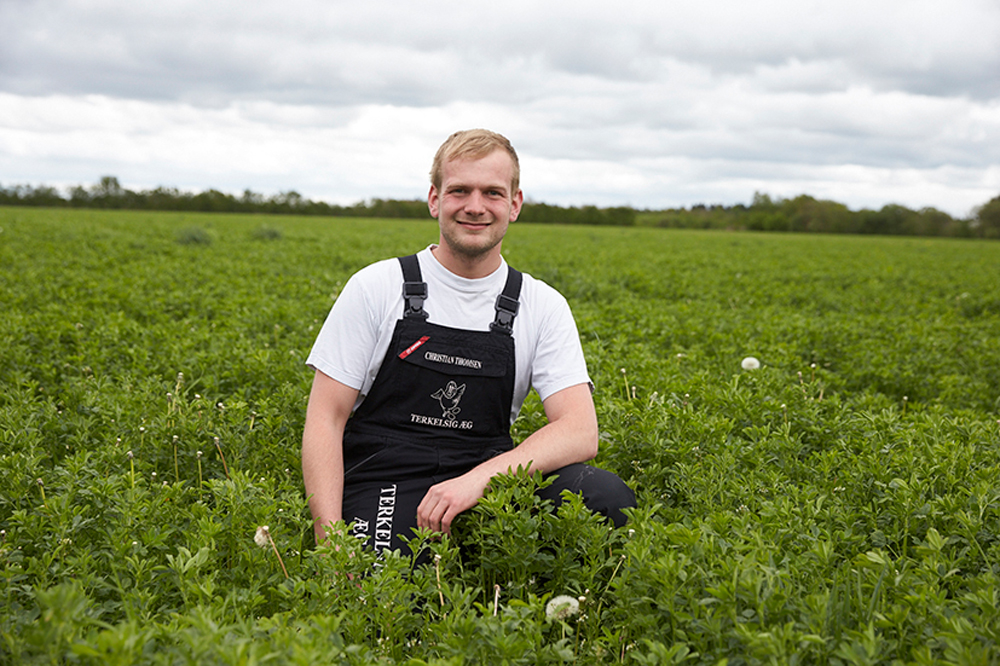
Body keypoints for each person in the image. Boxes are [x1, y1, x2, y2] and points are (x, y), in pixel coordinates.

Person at [301, 129, 635, 555]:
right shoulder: (377, 287)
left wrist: (477, 481)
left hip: (490, 476)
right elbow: (325, 420)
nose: (475, 207)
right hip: (388, 479)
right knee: (391, 598)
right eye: (460, 190)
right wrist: (331, 545)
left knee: (603, 498)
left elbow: (580, 431)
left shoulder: (542, 304)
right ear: (435, 199)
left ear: (513, 204)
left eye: (492, 193)